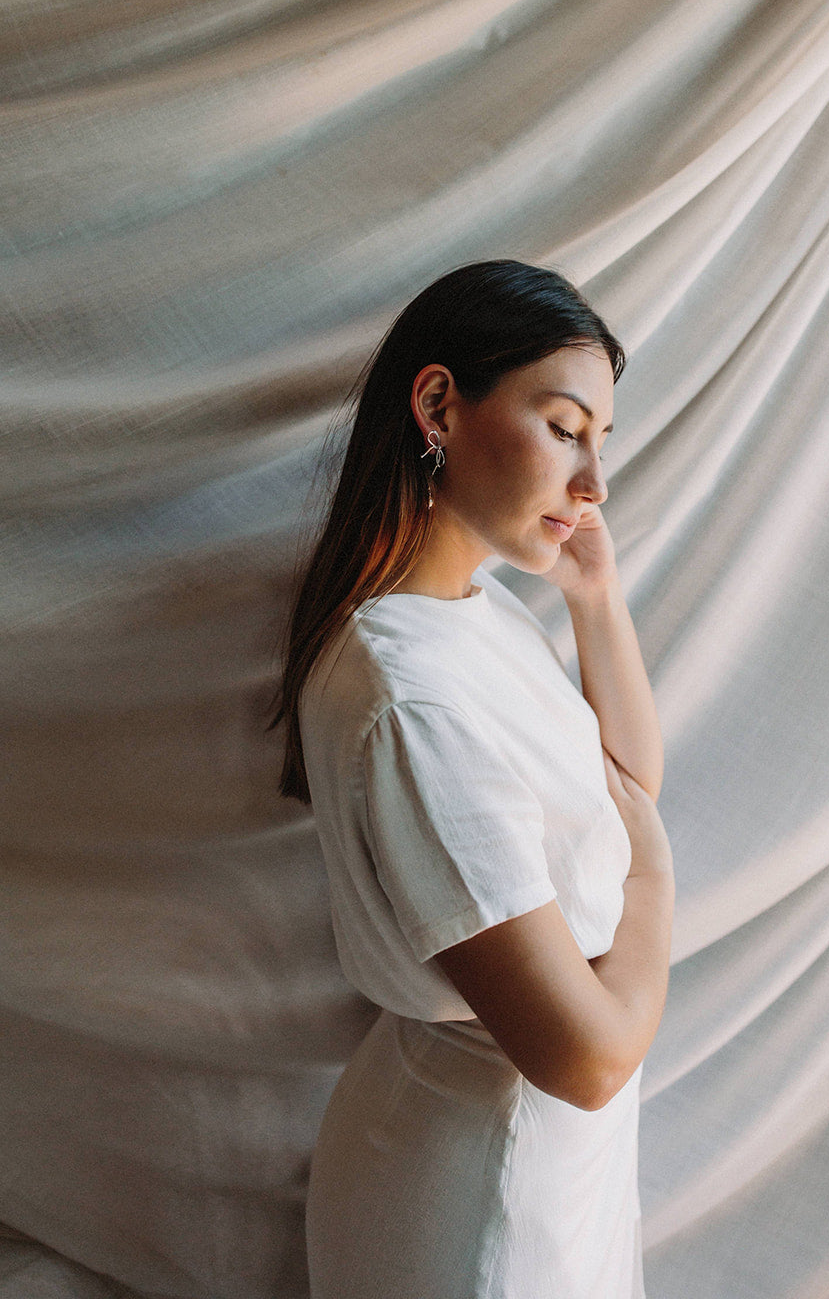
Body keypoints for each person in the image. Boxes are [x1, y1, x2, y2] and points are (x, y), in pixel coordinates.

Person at [270, 258, 674, 1299]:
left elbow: (626, 780)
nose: (592, 485)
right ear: (439, 404)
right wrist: (654, 890)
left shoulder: (471, 614)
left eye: (599, 441)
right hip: (479, 1187)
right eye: (562, 425)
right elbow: (583, 1058)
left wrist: (593, 596)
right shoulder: (414, 696)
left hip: (531, 1155)